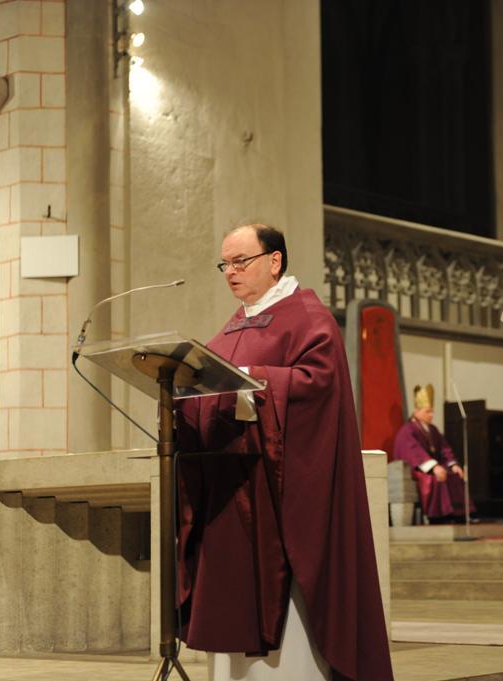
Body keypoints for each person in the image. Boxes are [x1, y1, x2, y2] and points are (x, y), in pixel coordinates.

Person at [175, 224, 393, 681]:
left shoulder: (307, 317)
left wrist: (256, 380)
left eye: (240, 261)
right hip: (233, 496)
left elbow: (320, 385)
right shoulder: (236, 323)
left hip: (281, 497)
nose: (230, 272)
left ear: (274, 261)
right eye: (225, 264)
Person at [392, 384, 472, 523]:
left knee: (455, 475)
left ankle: (460, 515)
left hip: (433, 467)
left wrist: (453, 464)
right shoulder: (408, 431)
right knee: (438, 478)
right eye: (428, 411)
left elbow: (444, 449)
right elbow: (413, 452)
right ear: (417, 411)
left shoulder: (433, 430)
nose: (432, 415)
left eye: (432, 411)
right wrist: (433, 467)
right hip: (418, 469)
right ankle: (439, 517)